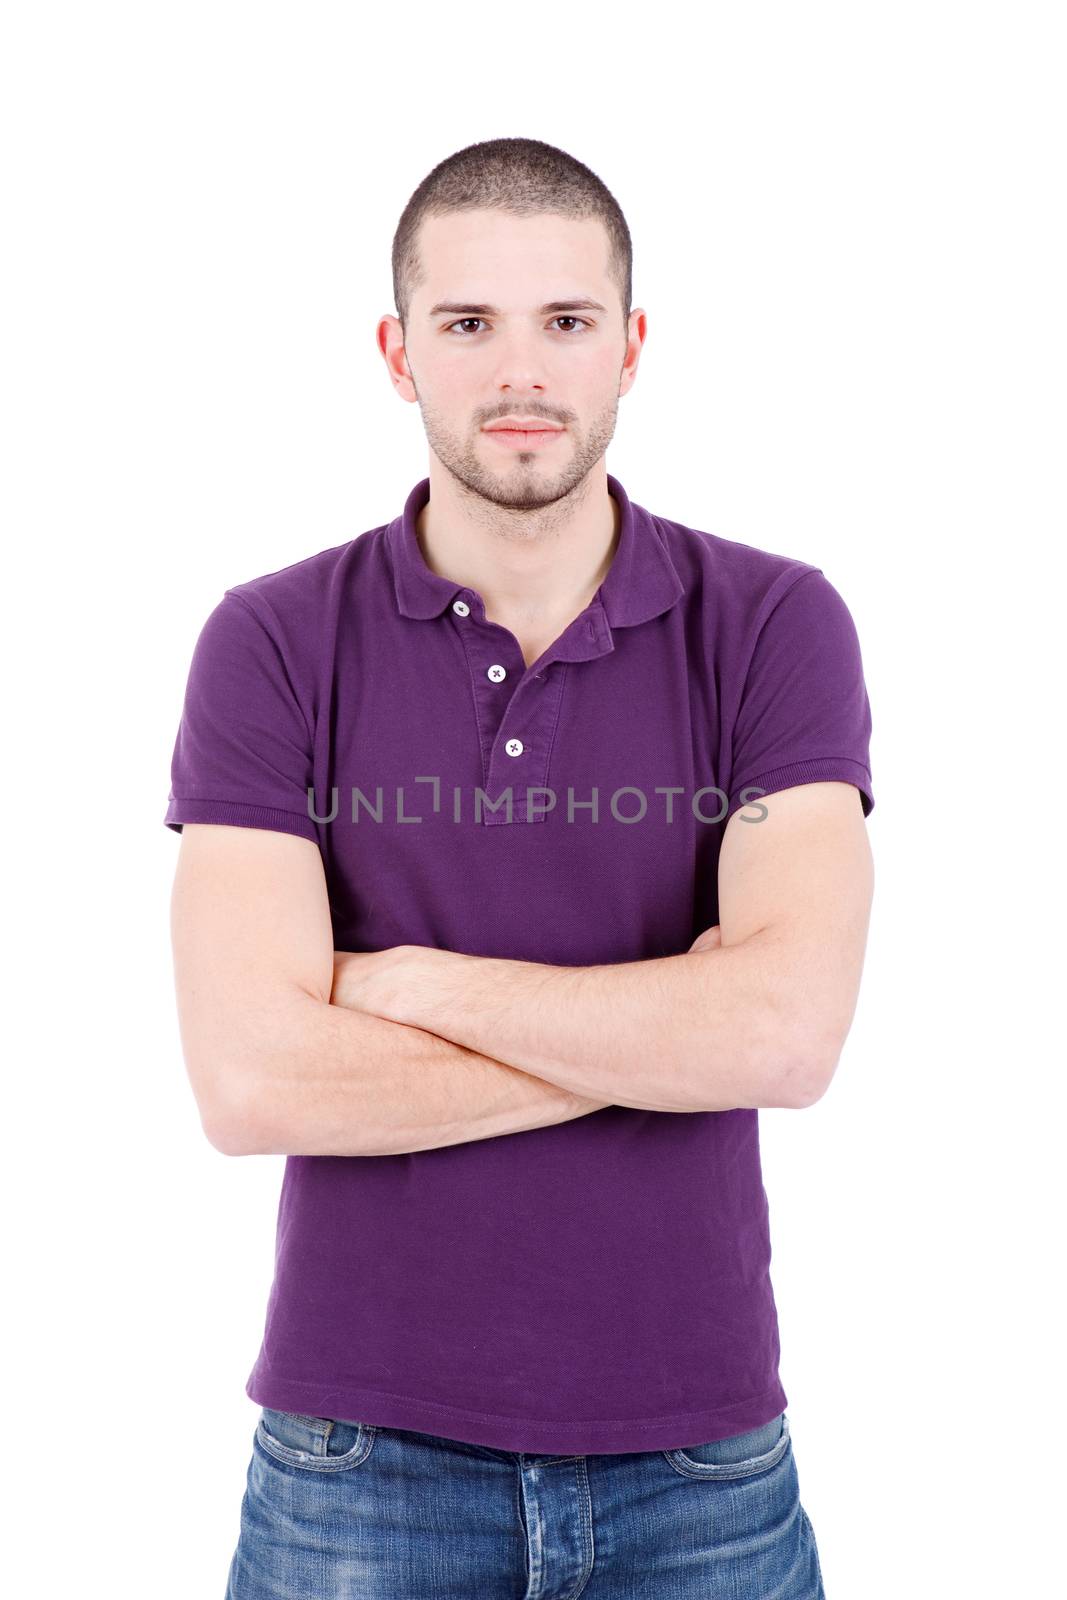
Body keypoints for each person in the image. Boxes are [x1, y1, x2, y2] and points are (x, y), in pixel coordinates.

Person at [165, 135, 874, 1599]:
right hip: (358, 1460)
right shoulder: (274, 641)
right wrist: (669, 1026)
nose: (521, 373)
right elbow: (251, 1084)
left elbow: (786, 1037)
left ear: (631, 347)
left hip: (702, 1464)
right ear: (397, 350)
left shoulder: (773, 625)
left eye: (565, 321)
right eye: (467, 323)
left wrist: (414, 987)